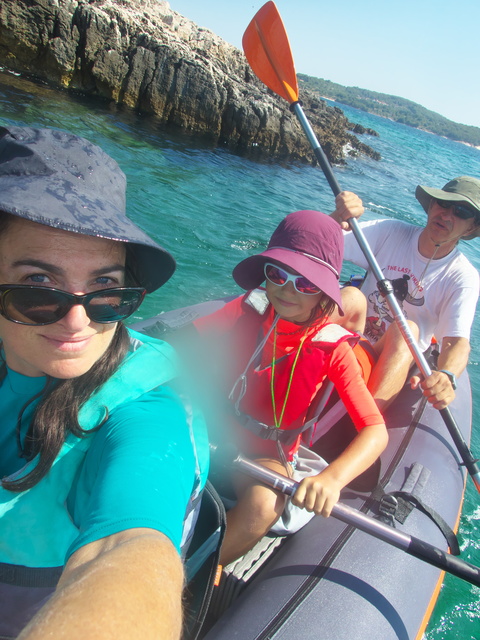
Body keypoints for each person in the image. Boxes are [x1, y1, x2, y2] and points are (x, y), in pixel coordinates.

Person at [0, 126, 209, 640]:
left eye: (105, 288)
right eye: (37, 285)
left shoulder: (144, 410)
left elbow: (131, 548)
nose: (76, 322)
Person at [193, 210, 388, 567]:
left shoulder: (332, 348)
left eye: (307, 284)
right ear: (265, 274)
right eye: (278, 274)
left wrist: (331, 479)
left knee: (263, 506)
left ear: (323, 295)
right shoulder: (248, 308)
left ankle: (197, 573)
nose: (287, 290)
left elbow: (375, 431)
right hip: (211, 430)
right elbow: (183, 342)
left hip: (264, 456)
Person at [331, 177, 480, 411]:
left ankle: (361, 422)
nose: (447, 215)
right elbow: (327, 243)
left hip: (387, 358)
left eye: (461, 212)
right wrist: (338, 219)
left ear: (471, 227)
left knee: (406, 328)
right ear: (431, 206)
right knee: (351, 295)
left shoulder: (463, 277)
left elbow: (457, 342)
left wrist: (447, 376)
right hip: (351, 335)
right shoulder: (392, 232)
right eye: (442, 204)